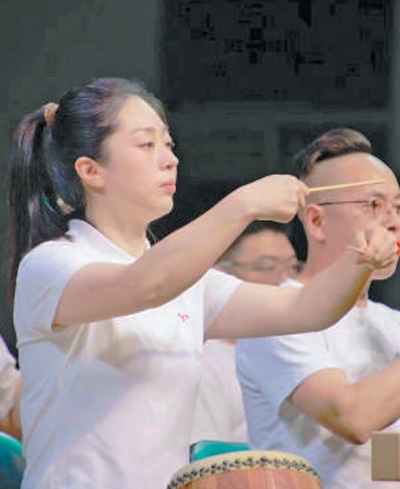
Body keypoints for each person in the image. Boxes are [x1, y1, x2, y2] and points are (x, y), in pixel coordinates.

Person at [7, 79, 396, 489]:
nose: (170, 159)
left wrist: (360, 260)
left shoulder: (191, 285)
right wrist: (244, 205)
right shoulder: (50, 265)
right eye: (147, 145)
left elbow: (307, 309)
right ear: (91, 171)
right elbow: (146, 284)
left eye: (169, 144)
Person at [236, 127, 400, 489]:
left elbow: (380, 461)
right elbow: (353, 418)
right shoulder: (275, 317)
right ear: (316, 221)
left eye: (398, 207)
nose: (393, 221)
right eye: (374, 205)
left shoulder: (391, 323)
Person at [191, 221, 301, 445]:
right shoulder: (205, 363)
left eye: (292, 267)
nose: (285, 280)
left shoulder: (296, 351)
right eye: (267, 267)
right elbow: (205, 455)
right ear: (219, 274)